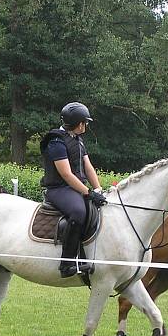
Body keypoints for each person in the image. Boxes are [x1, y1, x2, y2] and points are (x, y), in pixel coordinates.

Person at [40, 102, 106, 278]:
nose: (86, 125)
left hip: (75, 188)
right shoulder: (56, 141)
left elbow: (88, 166)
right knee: (78, 212)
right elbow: (66, 175)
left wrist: (98, 188)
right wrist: (88, 192)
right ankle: (67, 263)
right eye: (85, 122)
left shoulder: (78, 140)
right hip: (59, 189)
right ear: (78, 123)